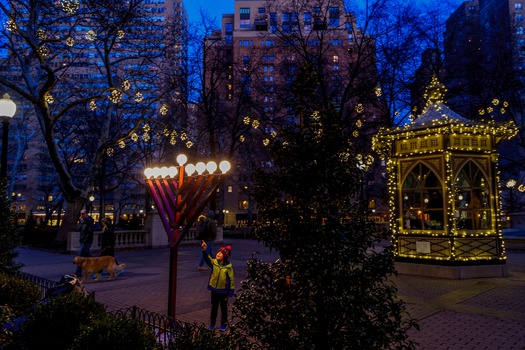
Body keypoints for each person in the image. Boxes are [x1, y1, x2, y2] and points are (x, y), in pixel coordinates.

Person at [201, 240, 234, 331]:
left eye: (221, 253)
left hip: (223, 291)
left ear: (225, 257)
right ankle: (212, 324)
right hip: (214, 291)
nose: (218, 254)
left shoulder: (228, 267)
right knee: (214, 308)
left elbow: (231, 280)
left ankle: (223, 324)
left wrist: (231, 291)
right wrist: (204, 250)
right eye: (218, 252)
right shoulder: (214, 263)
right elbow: (207, 259)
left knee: (223, 309)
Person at [74, 209, 94, 278]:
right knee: (88, 256)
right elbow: (79, 229)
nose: (82, 215)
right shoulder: (83, 221)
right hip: (83, 241)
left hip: (86, 241)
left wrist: (85, 240)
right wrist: (80, 222)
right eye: (81, 214)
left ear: (86, 213)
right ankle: (97, 268)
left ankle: (78, 272)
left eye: (83, 213)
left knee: (80, 257)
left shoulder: (89, 221)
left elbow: (90, 232)